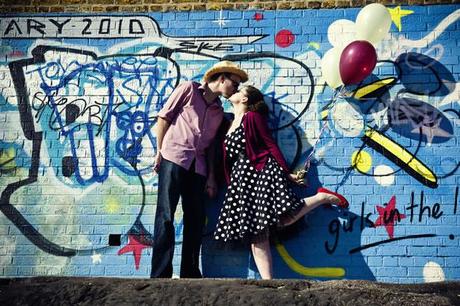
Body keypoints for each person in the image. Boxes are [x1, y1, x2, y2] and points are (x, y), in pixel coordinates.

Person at [214, 85, 349, 279]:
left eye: (239, 90)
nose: (234, 91)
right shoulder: (230, 123)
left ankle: (321, 197)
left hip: (260, 173)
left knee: (281, 218)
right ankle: (267, 283)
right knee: (256, 235)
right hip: (241, 182)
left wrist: (287, 173)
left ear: (244, 99)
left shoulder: (251, 118)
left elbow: (269, 143)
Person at [151, 61, 248, 278]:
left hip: (199, 168)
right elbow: (164, 117)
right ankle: (160, 274)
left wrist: (212, 177)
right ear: (222, 78)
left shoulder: (218, 111)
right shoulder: (189, 89)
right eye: (234, 83)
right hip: (174, 157)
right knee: (166, 215)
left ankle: (190, 272)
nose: (236, 88)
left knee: (195, 219)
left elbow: (213, 145)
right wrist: (159, 150)